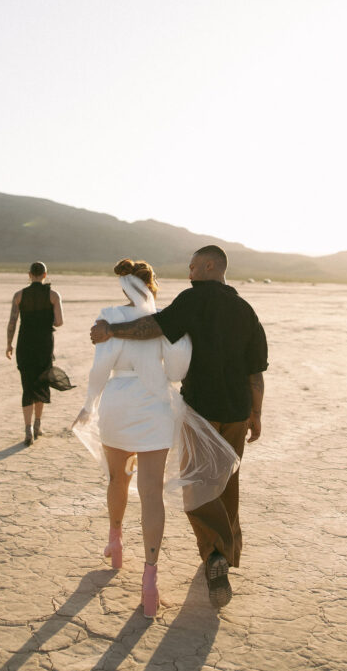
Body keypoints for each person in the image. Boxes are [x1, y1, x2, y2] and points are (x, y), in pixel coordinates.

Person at [90, 245, 268, 608]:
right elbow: (256, 373)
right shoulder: (245, 310)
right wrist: (256, 413)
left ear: (208, 266)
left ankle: (214, 555)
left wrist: (111, 330)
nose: (188, 273)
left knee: (197, 484)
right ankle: (224, 554)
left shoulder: (193, 300)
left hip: (201, 408)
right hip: (237, 410)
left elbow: (151, 327)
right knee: (226, 481)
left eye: (191, 267)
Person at [6, 261, 64, 446]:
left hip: (25, 344)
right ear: (45, 275)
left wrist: (9, 344)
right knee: (41, 383)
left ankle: (28, 428)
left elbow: (12, 322)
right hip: (44, 345)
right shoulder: (54, 295)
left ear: (29, 274)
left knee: (27, 385)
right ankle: (38, 424)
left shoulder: (19, 295)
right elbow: (59, 322)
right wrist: (46, 321)